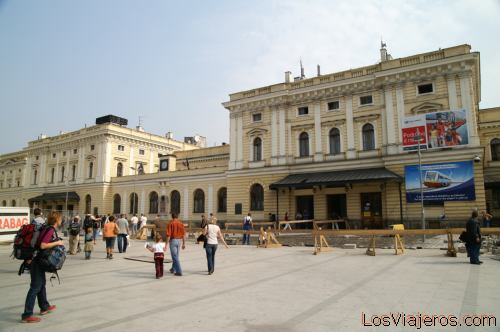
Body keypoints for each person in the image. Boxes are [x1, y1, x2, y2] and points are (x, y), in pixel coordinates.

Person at [21, 211, 64, 323]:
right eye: (60, 218)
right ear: (56, 220)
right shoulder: (50, 230)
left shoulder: (46, 228)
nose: (61, 220)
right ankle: (27, 315)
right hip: (37, 261)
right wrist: (58, 243)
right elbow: (43, 245)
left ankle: (44, 307)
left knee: (41, 284)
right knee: (35, 287)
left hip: (38, 261)